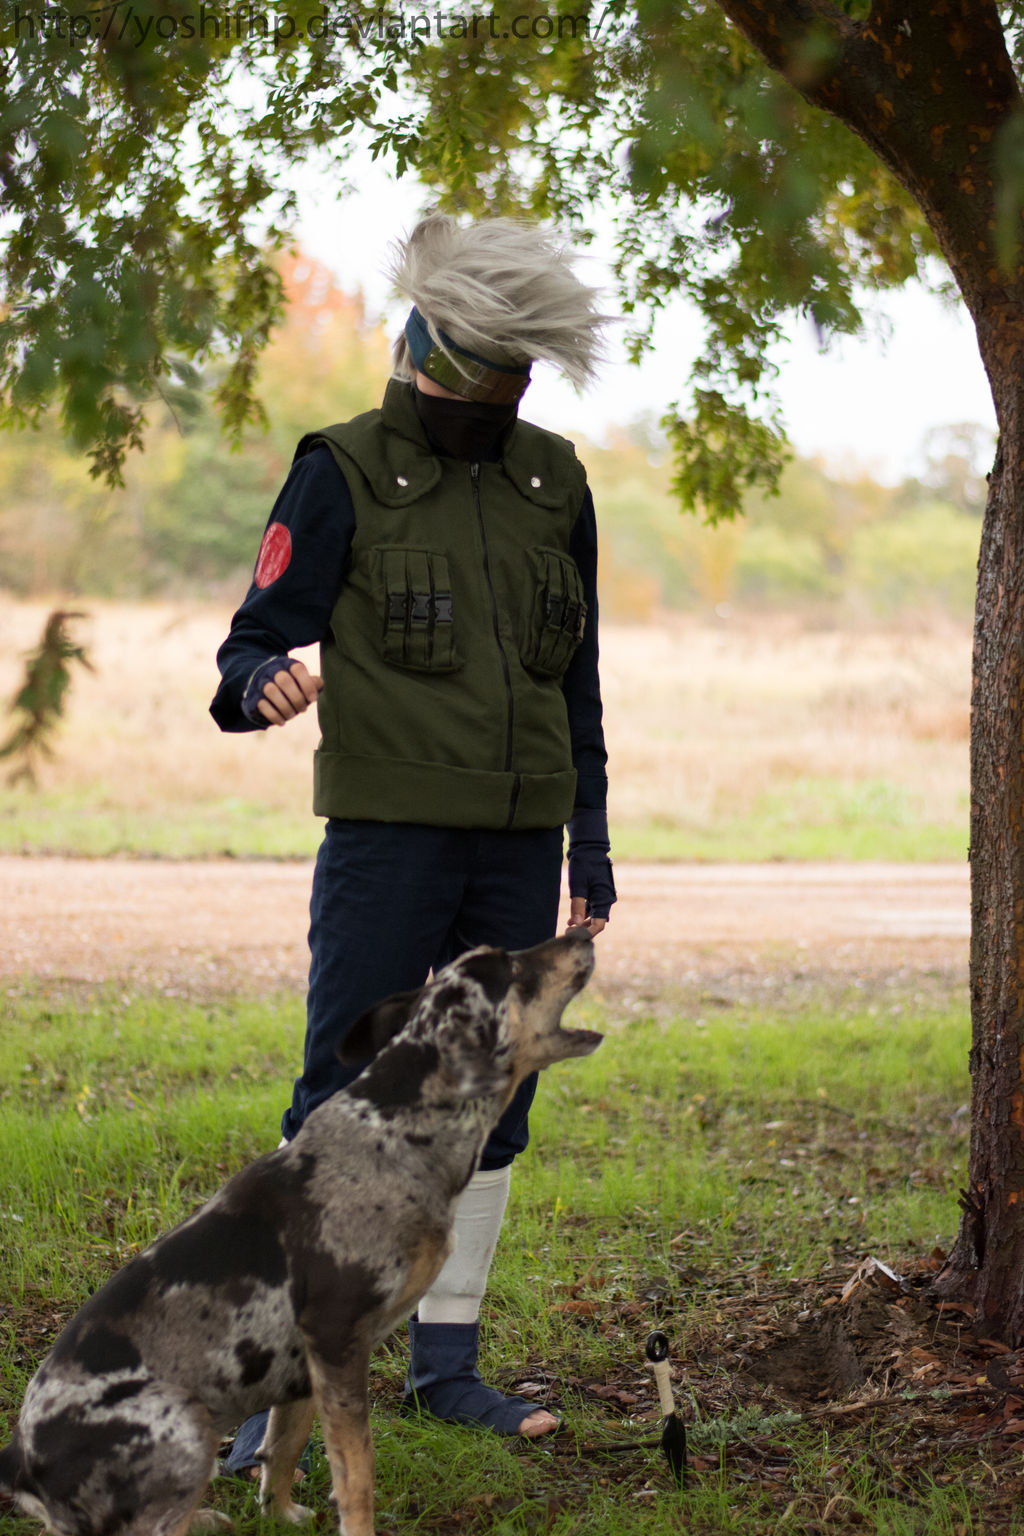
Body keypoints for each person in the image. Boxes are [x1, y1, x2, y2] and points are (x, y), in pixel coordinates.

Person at [210, 214, 616, 1462]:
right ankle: (274, 1378)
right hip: (389, 839)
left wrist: (586, 849)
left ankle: (448, 1366)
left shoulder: (556, 481)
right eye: (473, 370)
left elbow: (579, 684)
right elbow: (248, 643)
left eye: (513, 378)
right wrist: (260, 684)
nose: (490, 398)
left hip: (518, 840)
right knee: (340, 1095)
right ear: (421, 344)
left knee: (495, 1099)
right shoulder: (339, 465)